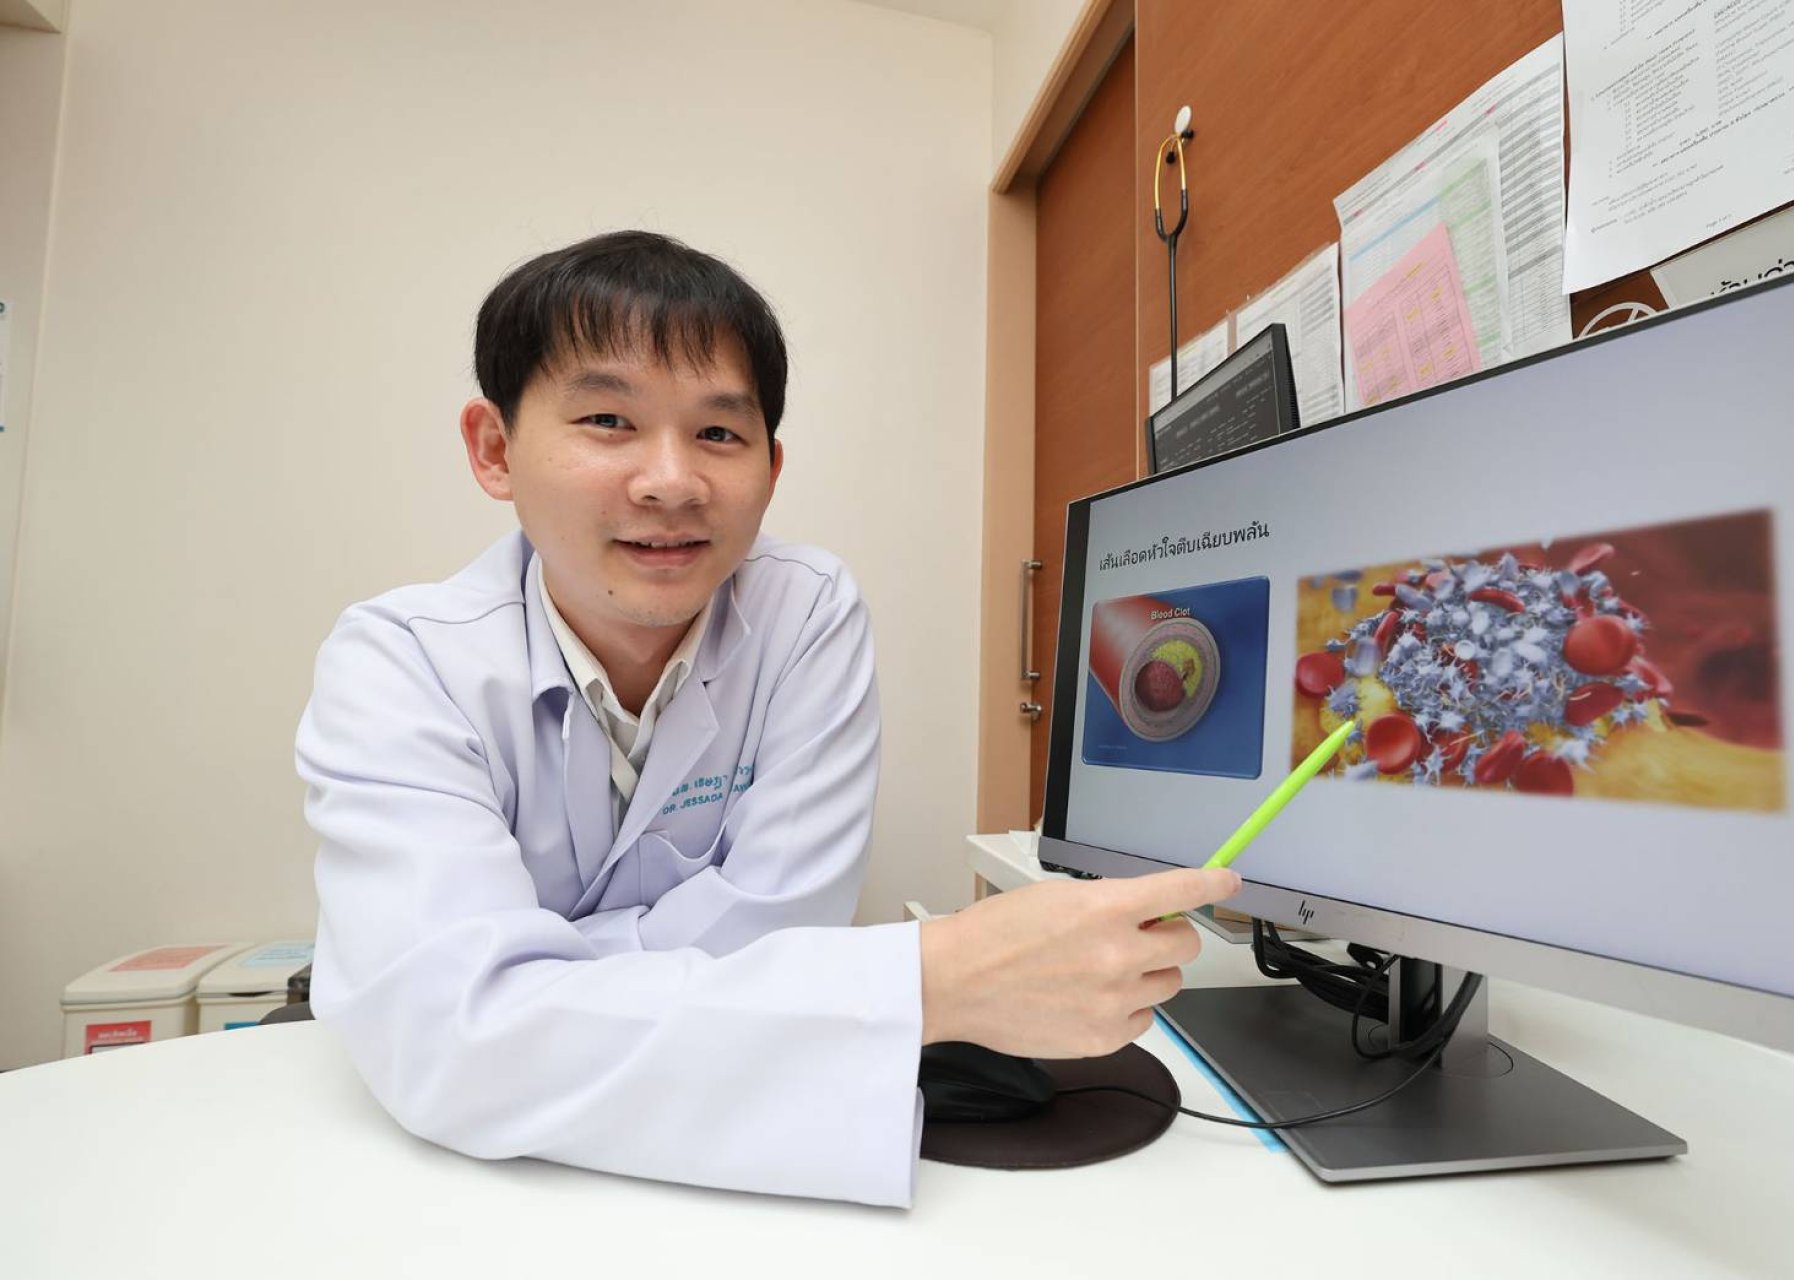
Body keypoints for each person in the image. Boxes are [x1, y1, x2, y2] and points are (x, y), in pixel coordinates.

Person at [295, 230, 1240, 1208]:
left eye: (718, 432)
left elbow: (784, 925)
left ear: (771, 464)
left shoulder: (806, 613)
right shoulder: (400, 662)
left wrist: (539, 994)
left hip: (704, 1186)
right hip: (447, 1198)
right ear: (495, 449)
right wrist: (934, 980)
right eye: (609, 420)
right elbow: (454, 1042)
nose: (671, 481)